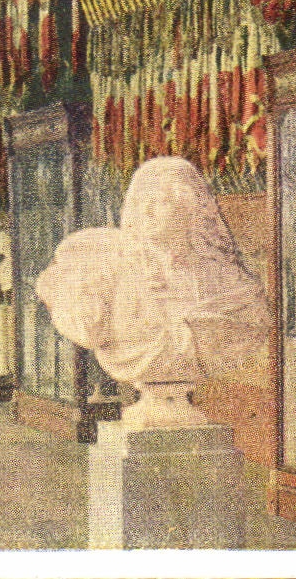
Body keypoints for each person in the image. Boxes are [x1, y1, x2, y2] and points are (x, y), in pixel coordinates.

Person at [35, 157, 270, 427]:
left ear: (189, 208)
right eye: (142, 201)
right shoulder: (107, 271)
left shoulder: (226, 278)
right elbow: (84, 323)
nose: (146, 211)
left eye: (161, 201)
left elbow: (251, 321)